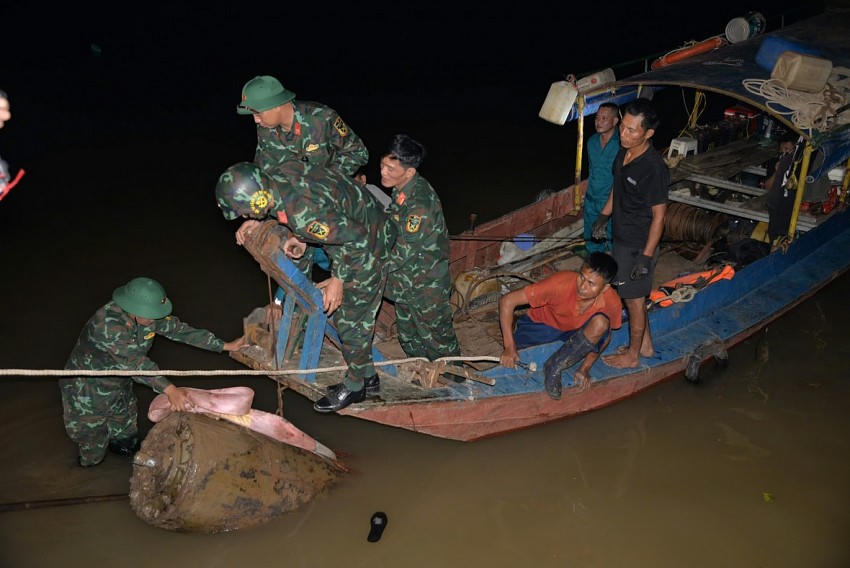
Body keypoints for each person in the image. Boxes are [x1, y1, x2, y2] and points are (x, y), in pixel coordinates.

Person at [215, 161, 397, 413]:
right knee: (348, 317)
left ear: (257, 201)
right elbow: (292, 208)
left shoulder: (303, 217)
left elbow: (356, 238)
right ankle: (369, 376)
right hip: (361, 222)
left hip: (369, 242)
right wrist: (259, 221)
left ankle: (356, 387)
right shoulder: (278, 175)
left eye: (245, 212)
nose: (244, 216)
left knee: (351, 321)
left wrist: (338, 279)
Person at [61, 277, 246, 467]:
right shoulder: (107, 326)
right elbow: (135, 363)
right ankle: (89, 472)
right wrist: (170, 390)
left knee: (126, 435)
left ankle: (123, 462)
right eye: (150, 315)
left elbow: (180, 331)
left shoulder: (147, 316)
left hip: (120, 384)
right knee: (93, 444)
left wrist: (225, 345)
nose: (154, 320)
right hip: (87, 392)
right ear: (132, 310)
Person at [591, 98, 668, 369]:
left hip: (639, 245)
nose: (624, 134)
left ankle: (633, 355)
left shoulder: (653, 168)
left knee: (633, 301)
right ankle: (645, 346)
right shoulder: (623, 152)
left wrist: (646, 258)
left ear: (648, 134)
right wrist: (604, 215)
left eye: (632, 130)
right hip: (621, 238)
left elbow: (659, 216)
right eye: (623, 126)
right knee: (631, 296)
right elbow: (618, 188)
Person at [380, 134, 461, 363]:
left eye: (390, 169)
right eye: (383, 165)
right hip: (405, 283)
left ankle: (456, 381)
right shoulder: (401, 189)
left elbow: (402, 253)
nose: (383, 172)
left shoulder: (420, 205)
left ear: (409, 172)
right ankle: (419, 369)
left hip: (426, 284)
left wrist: (367, 266)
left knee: (438, 340)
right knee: (408, 336)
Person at [498, 253, 622, 398]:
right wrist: (509, 346)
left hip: (574, 330)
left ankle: (554, 367)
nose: (582, 287)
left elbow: (605, 336)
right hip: (541, 326)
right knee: (518, 359)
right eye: (582, 277)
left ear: (605, 288)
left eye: (591, 284)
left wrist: (585, 368)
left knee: (602, 323)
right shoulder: (559, 283)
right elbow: (507, 301)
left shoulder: (612, 301)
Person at [237, 75, 368, 177]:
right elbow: (264, 168)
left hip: (330, 197)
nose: (256, 120)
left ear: (276, 105)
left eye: (258, 113)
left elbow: (358, 153)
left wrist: (328, 179)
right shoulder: (265, 129)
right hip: (294, 202)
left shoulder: (322, 119)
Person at [583, 103, 620, 253]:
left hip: (612, 201)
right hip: (592, 198)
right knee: (591, 236)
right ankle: (593, 261)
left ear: (615, 121)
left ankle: (615, 263)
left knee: (613, 238)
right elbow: (592, 170)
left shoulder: (622, 144)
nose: (599, 122)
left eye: (604, 118)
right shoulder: (591, 142)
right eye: (597, 118)